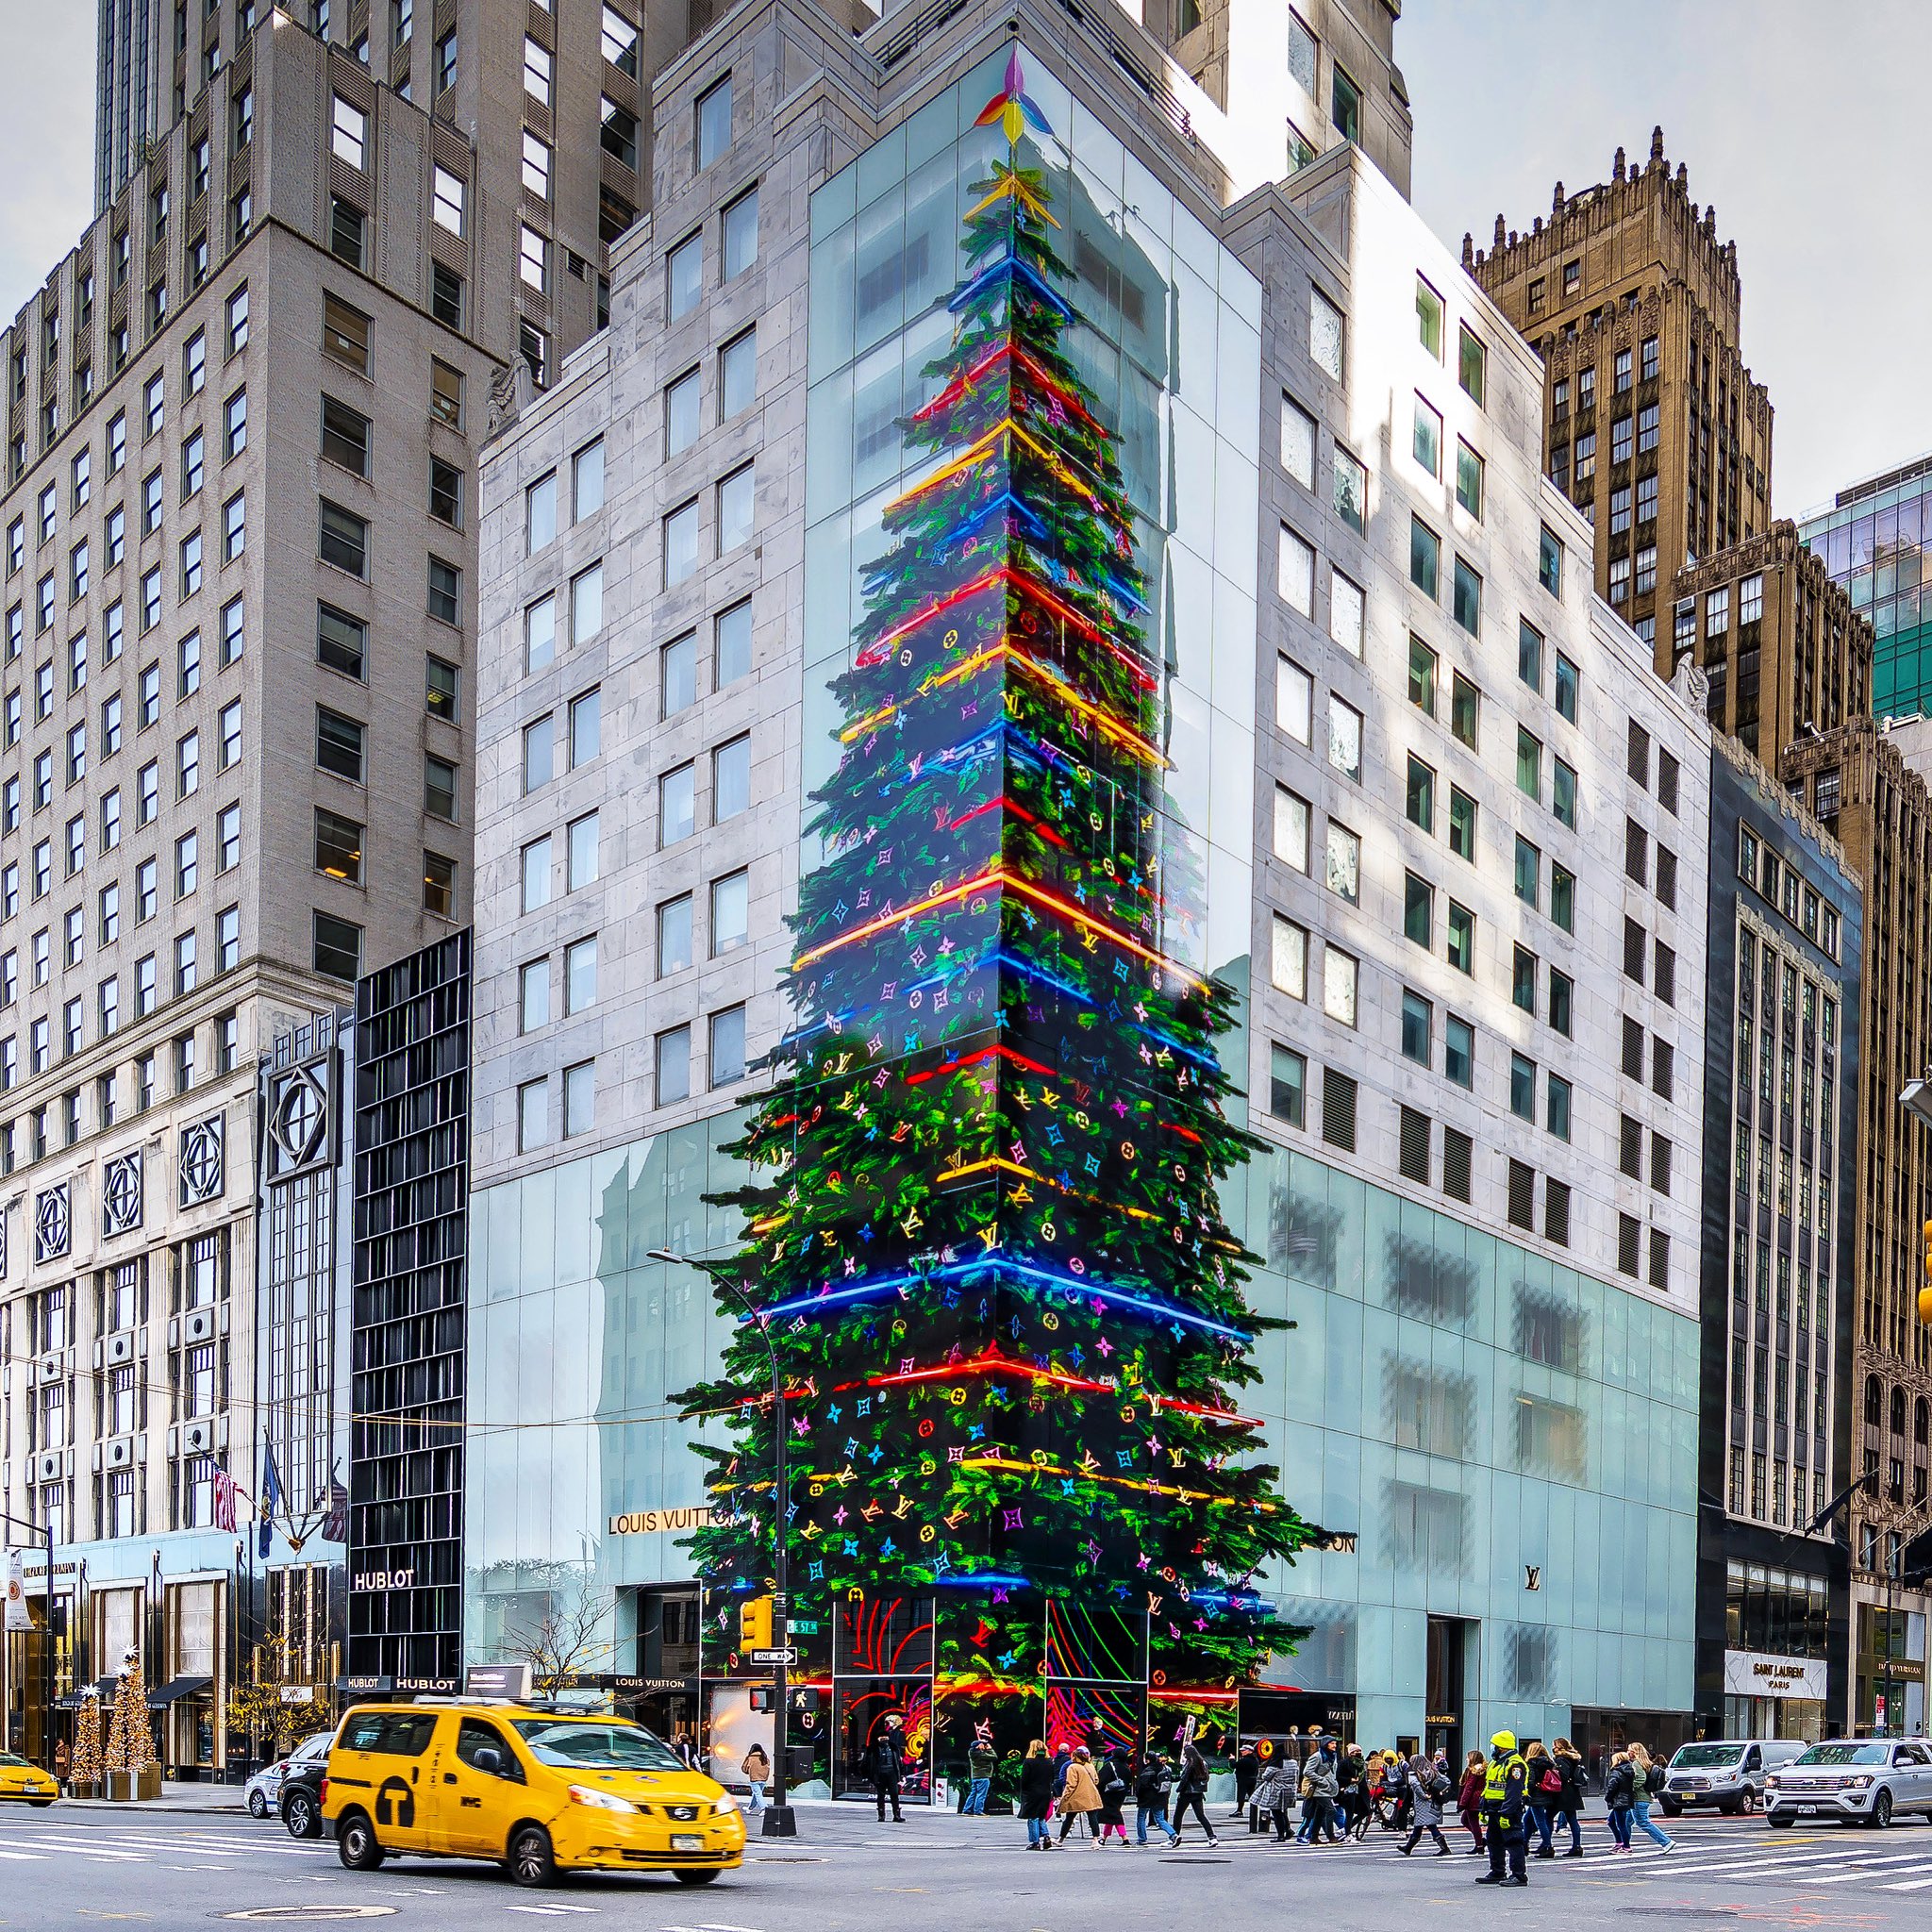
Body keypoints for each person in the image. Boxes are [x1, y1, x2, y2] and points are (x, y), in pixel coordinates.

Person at [1474, 1730, 1529, 1887]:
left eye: (1495, 1745)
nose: (1493, 1748)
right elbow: (1489, 1787)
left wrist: (1506, 1813)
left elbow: (1514, 1792)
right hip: (1493, 1808)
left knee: (1513, 1841)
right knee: (1493, 1841)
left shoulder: (1515, 1765)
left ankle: (1519, 1875)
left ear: (1503, 1747)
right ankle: (1497, 1871)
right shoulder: (1495, 1763)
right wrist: (1483, 1808)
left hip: (1507, 1809)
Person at [1397, 1750, 1452, 1857]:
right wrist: (1435, 1791)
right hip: (1434, 1802)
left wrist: (1424, 1795)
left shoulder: (1413, 1773)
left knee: (1430, 1825)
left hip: (1422, 1804)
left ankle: (1444, 1848)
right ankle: (1408, 1848)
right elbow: (1447, 1780)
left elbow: (1416, 1786)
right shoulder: (1433, 1771)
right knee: (1420, 1825)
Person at [1627, 1744, 1675, 1853]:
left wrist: (1629, 1788)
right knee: (1627, 1822)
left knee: (1643, 1822)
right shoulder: (1646, 1763)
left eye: (1629, 1750)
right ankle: (1625, 1845)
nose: (1628, 1752)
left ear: (1635, 1752)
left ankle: (1666, 1842)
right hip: (1642, 1798)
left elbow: (1641, 1778)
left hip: (1639, 1798)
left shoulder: (1636, 1763)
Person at [1172, 1738, 1219, 1845]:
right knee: (1201, 1816)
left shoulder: (1190, 1764)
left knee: (1178, 1815)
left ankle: (1174, 1836)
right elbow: (1206, 1778)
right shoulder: (1203, 1763)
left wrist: (1179, 1789)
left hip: (1187, 1792)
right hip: (1198, 1793)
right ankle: (1212, 1837)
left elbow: (1184, 1778)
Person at [1297, 1738, 1340, 1845]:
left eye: (1335, 1743)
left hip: (1327, 1789)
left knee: (1319, 1814)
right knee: (1331, 1810)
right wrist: (1321, 1780)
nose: (1334, 1745)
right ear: (1326, 1744)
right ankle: (1331, 1836)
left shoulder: (1332, 1756)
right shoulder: (1317, 1756)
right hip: (1318, 1790)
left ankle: (1314, 1837)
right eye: (1332, 1743)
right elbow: (1307, 1771)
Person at [1134, 1745, 1179, 1847]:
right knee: (1160, 1819)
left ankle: (1142, 1839)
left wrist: (1138, 1796)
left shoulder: (1148, 1770)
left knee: (1141, 1818)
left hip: (1147, 1798)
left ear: (1148, 1760)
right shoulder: (1163, 1768)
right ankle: (1173, 1835)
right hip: (1160, 1798)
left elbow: (1142, 1786)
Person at [1057, 1745, 1103, 1845]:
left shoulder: (1072, 1767)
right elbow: (1096, 1780)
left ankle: (1061, 1839)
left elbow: (1071, 1784)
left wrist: (1066, 1796)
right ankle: (1095, 1840)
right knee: (1092, 1817)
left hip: (1076, 1796)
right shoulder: (1090, 1766)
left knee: (1069, 1818)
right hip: (1091, 1795)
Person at [869, 1713, 908, 1824]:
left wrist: (901, 1774)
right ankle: (882, 1815)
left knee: (894, 1794)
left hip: (891, 1772)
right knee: (881, 1794)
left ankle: (896, 1815)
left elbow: (898, 1761)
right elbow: (872, 1763)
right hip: (882, 1772)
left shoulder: (896, 1742)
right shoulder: (876, 1748)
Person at [1550, 1737, 1586, 1857]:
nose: (1553, 1747)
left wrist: (1554, 1771)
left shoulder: (1561, 1759)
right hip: (1572, 1792)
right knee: (1572, 1820)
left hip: (1562, 1793)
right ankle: (1577, 1846)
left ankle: (1547, 1844)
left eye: (1554, 1745)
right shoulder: (1573, 1758)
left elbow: (1564, 1776)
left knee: (1547, 1817)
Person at [1019, 1740, 1056, 1851]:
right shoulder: (1049, 1761)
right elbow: (1052, 1778)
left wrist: (1023, 1792)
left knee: (1032, 1817)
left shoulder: (1029, 1762)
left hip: (1032, 1792)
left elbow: (1024, 1779)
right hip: (1045, 1792)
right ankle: (1046, 1836)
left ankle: (1035, 1842)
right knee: (1041, 1816)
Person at [1251, 1756, 1297, 1841]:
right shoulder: (1293, 1763)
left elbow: (1265, 1777)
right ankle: (1288, 1830)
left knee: (1277, 1814)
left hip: (1276, 1791)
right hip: (1289, 1790)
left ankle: (1281, 1835)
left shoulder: (1275, 1764)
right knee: (1283, 1812)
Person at [1524, 1740, 1558, 1856]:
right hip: (1547, 1793)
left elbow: (1531, 1781)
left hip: (1535, 1795)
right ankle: (1525, 1843)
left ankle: (1547, 1846)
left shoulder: (1532, 1763)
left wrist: (1527, 1793)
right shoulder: (1549, 1763)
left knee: (1540, 1821)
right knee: (1528, 1819)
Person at [1094, 1743, 1132, 1845]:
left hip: (1108, 1793)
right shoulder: (1126, 1767)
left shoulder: (1110, 1766)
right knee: (1112, 1814)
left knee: (1114, 1814)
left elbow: (1101, 1780)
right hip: (1120, 1793)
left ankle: (1125, 1837)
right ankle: (1104, 1838)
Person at [1603, 1749, 1636, 1853]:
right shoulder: (1630, 1770)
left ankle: (1626, 1846)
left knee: (1621, 1825)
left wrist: (1607, 1797)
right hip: (1627, 1800)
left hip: (1619, 1801)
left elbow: (1612, 1787)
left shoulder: (1616, 1772)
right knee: (1611, 1821)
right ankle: (1620, 1842)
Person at [1457, 1749, 1488, 1854]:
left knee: (1472, 1822)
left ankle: (1479, 1844)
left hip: (1473, 1800)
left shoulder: (1473, 1771)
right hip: (1481, 1797)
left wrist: (1462, 1803)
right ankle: (1480, 1841)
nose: (1466, 1759)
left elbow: (1468, 1788)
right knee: (1466, 1820)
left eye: (1468, 1757)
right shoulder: (1484, 1769)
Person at [962, 1727, 995, 1817]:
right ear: (978, 1746)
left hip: (975, 1777)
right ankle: (978, 1811)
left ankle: (967, 1810)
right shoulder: (981, 1754)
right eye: (982, 1744)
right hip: (983, 1777)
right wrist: (990, 1749)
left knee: (973, 1793)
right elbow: (994, 1757)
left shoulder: (972, 1753)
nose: (984, 1745)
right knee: (981, 1794)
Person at [1232, 1741, 1260, 1819]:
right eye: (1241, 1751)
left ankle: (1239, 1811)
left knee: (1241, 1795)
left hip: (1243, 1780)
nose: (1242, 1752)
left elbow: (1233, 1765)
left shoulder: (1245, 1760)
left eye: (1244, 1750)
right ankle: (1254, 1811)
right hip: (1252, 1779)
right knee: (1252, 1796)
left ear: (1250, 1751)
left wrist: (1232, 1759)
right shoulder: (1255, 1760)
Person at [741, 1742, 770, 1814]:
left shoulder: (750, 1757)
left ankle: (764, 1808)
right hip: (763, 1779)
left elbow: (744, 1768)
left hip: (754, 1779)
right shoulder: (765, 1757)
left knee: (758, 1794)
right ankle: (750, 1808)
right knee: (756, 1794)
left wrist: (749, 1771)